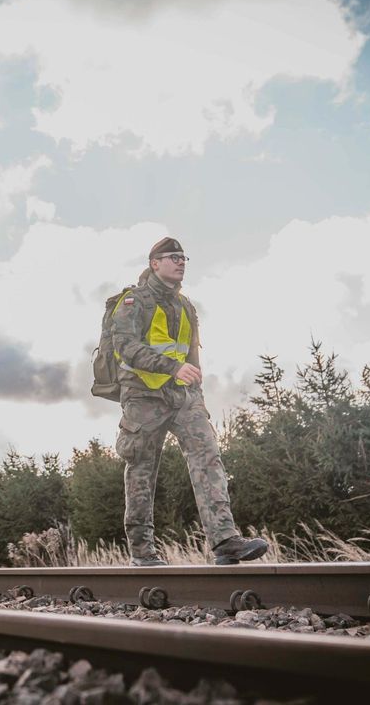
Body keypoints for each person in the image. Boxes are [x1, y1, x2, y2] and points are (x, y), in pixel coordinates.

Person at [110, 237, 268, 567]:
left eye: (184, 258)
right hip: (142, 398)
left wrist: (197, 397)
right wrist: (172, 367)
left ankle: (225, 540)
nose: (181, 262)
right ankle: (142, 553)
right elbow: (125, 346)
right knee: (141, 471)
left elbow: (192, 359)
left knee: (208, 453)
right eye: (173, 257)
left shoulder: (186, 307)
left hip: (183, 398)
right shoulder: (132, 301)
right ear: (155, 263)